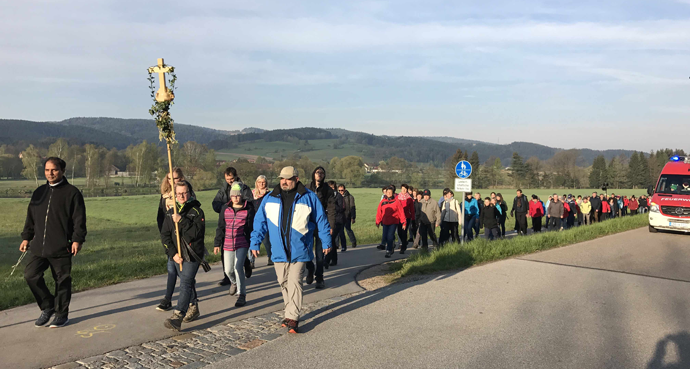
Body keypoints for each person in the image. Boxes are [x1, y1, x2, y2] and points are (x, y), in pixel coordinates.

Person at [250, 166, 332, 334]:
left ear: (296, 179)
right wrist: (255, 242)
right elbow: (260, 222)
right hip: (278, 250)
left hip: (300, 248)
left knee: (295, 282)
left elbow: (321, 219)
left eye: (288, 179)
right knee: (283, 282)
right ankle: (289, 313)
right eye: (282, 178)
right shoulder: (270, 198)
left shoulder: (309, 197)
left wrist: (326, 241)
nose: (284, 181)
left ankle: (293, 318)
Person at [21, 157, 86, 328]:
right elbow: (31, 217)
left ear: (62, 171)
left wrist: (77, 240)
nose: (50, 173)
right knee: (30, 275)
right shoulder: (39, 192)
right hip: (38, 247)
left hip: (61, 246)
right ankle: (47, 306)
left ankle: (61, 315)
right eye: (47, 170)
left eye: (54, 170)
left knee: (62, 281)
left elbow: (79, 220)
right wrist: (26, 237)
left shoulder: (72, 193)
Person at [161, 180, 206, 331]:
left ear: (190, 193)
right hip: (177, 256)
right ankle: (193, 306)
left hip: (192, 254)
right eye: (179, 193)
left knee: (185, 282)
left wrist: (181, 221)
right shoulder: (170, 213)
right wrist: (173, 254)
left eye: (185, 193)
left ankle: (178, 316)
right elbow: (165, 236)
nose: (182, 196)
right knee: (188, 281)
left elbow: (195, 233)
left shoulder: (197, 212)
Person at [214, 183, 254, 307]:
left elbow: (251, 228)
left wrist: (253, 244)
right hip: (227, 243)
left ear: (242, 195)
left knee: (238, 267)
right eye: (233, 196)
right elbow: (220, 227)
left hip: (242, 242)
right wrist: (217, 243)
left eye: (238, 195)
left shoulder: (248, 208)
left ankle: (241, 294)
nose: (236, 198)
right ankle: (234, 282)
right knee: (228, 270)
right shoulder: (225, 209)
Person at [212, 167, 253, 287]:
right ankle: (227, 277)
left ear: (236, 176)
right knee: (225, 252)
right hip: (227, 223)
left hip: (241, 224)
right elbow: (215, 203)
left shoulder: (244, 188)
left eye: (231, 179)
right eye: (227, 179)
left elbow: (249, 203)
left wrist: (239, 207)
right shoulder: (223, 189)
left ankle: (245, 266)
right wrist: (226, 209)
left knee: (240, 250)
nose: (230, 181)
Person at [156, 168, 188, 312]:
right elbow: (160, 217)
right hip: (170, 239)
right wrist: (165, 235)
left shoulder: (184, 194)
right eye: (169, 178)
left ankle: (190, 299)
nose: (172, 181)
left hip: (183, 239)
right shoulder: (164, 197)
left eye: (175, 178)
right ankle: (168, 299)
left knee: (183, 272)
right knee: (171, 269)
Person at [307, 166, 336, 289]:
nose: (319, 174)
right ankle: (310, 268)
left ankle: (319, 278)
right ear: (313, 174)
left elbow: (331, 209)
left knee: (320, 254)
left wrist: (331, 226)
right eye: (317, 172)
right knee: (306, 252)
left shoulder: (328, 190)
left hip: (321, 225)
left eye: (322, 173)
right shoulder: (306, 188)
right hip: (307, 224)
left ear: (324, 176)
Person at [377, 186, 407, 257]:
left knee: (390, 236)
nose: (389, 193)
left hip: (393, 222)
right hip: (385, 222)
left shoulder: (397, 202)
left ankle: (389, 250)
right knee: (386, 236)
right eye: (387, 192)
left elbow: (401, 212)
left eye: (390, 192)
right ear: (386, 193)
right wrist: (378, 221)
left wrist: (404, 222)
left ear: (393, 193)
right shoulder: (383, 202)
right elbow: (379, 212)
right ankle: (391, 245)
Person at [252, 175, 273, 266]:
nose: (261, 184)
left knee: (266, 241)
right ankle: (251, 261)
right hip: (253, 220)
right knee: (252, 240)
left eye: (263, 182)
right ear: (256, 183)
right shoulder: (252, 194)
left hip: (265, 221)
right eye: (259, 182)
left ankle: (270, 257)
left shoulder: (269, 194)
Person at [327, 181, 345, 262]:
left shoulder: (338, 196)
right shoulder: (325, 196)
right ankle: (331, 258)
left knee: (331, 238)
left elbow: (341, 208)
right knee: (329, 240)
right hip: (328, 220)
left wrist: (332, 206)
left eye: (333, 188)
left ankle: (330, 259)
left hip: (337, 221)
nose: (331, 189)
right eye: (329, 188)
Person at [337, 184, 357, 249]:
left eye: (342, 190)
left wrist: (353, 217)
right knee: (339, 231)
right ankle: (339, 245)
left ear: (345, 189)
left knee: (348, 229)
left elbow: (352, 207)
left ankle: (353, 241)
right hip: (339, 216)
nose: (340, 192)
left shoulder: (350, 197)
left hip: (347, 216)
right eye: (339, 190)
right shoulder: (337, 196)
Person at [396, 184, 415, 253]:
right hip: (398, 217)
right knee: (399, 232)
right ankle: (405, 242)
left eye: (405, 189)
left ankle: (403, 247)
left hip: (407, 217)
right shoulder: (397, 197)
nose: (403, 191)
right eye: (402, 189)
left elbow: (412, 210)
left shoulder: (409, 199)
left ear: (407, 190)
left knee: (404, 232)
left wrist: (413, 219)